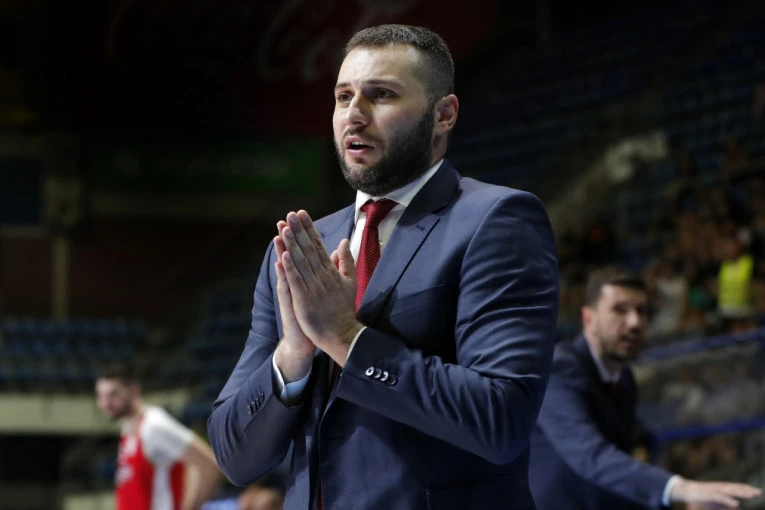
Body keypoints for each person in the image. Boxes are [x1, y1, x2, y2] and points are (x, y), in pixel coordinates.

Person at [207, 24, 559, 510]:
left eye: (382, 95)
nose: (354, 114)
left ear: (444, 114)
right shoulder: (300, 249)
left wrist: (344, 337)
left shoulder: (496, 220)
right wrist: (293, 354)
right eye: (343, 96)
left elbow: (502, 421)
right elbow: (234, 456)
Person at [528, 266, 762, 509]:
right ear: (588, 318)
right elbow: (591, 456)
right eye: (620, 310)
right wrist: (683, 490)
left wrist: (685, 503)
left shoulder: (624, 378)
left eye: (642, 311)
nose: (635, 322)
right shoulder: (558, 371)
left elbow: (619, 470)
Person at [96, 363, 222, 510]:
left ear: (134, 390)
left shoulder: (153, 425)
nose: (105, 403)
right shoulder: (128, 430)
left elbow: (209, 464)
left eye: (113, 394)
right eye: (101, 395)